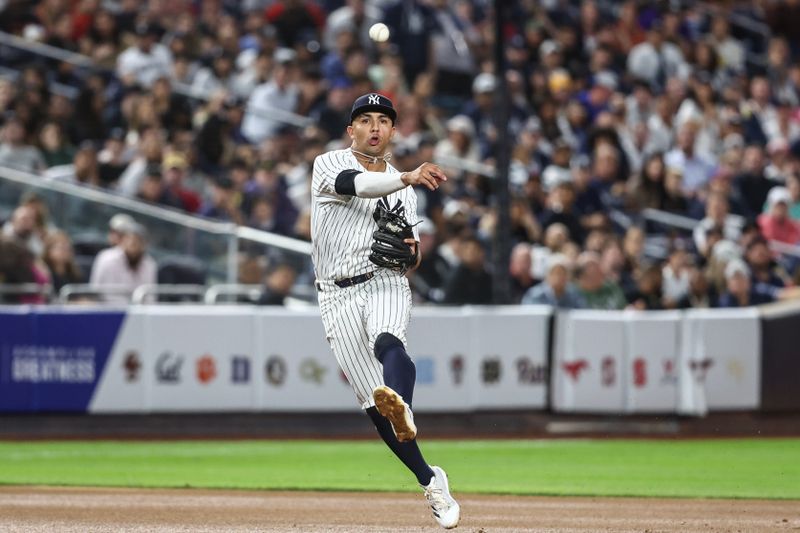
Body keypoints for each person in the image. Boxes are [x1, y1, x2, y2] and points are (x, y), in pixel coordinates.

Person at [310, 93, 460, 529]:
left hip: (382, 281)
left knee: (388, 341)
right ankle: (430, 480)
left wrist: (410, 255)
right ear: (351, 130)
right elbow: (358, 186)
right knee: (376, 410)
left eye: (382, 120)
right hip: (335, 294)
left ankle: (403, 407)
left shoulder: (405, 191)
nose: (374, 127)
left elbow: (410, 256)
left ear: (392, 131)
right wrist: (409, 176)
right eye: (365, 119)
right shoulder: (328, 164)